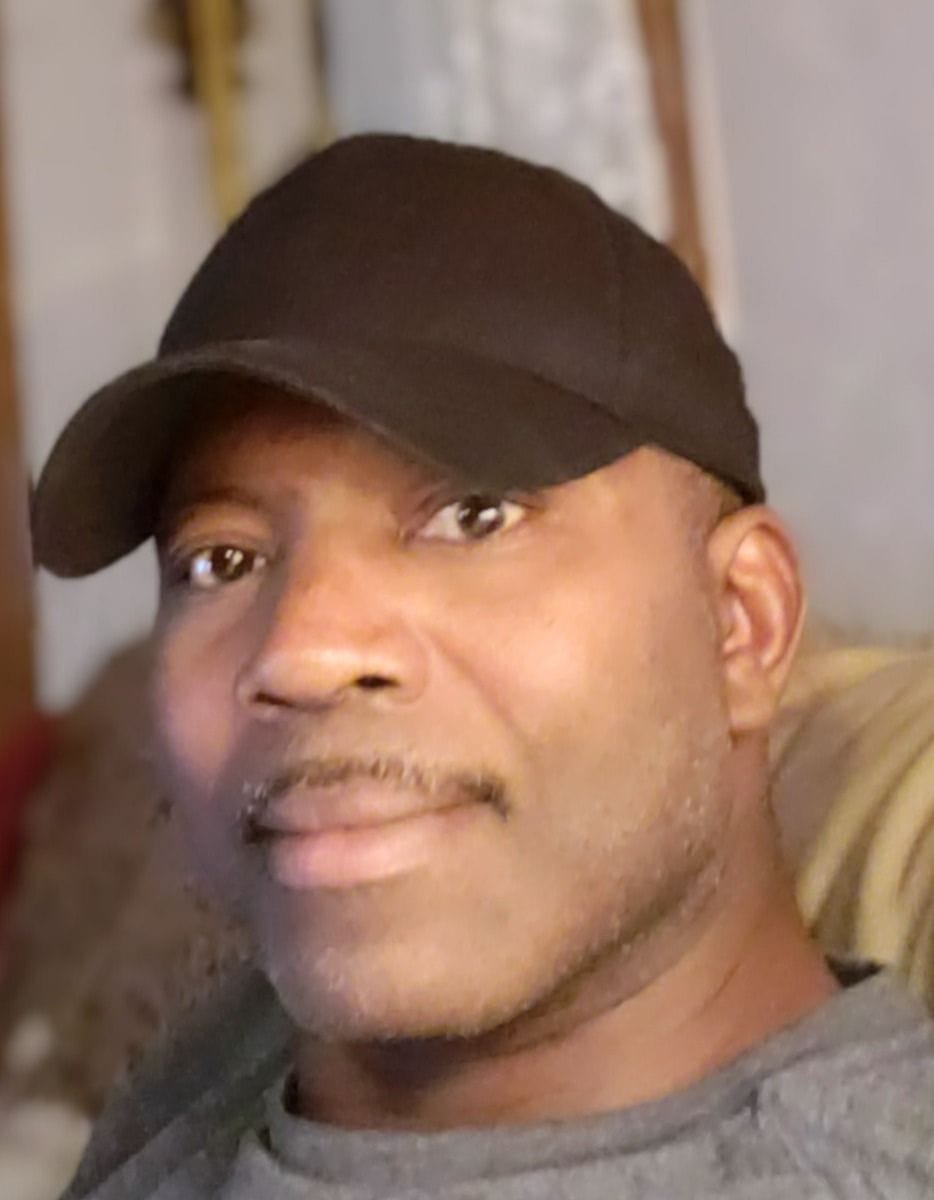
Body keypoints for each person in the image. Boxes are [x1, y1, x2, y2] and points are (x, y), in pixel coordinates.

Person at [33, 135, 934, 1198]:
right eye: (220, 560)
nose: (302, 651)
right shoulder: (237, 1049)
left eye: (473, 516)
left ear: (741, 621)